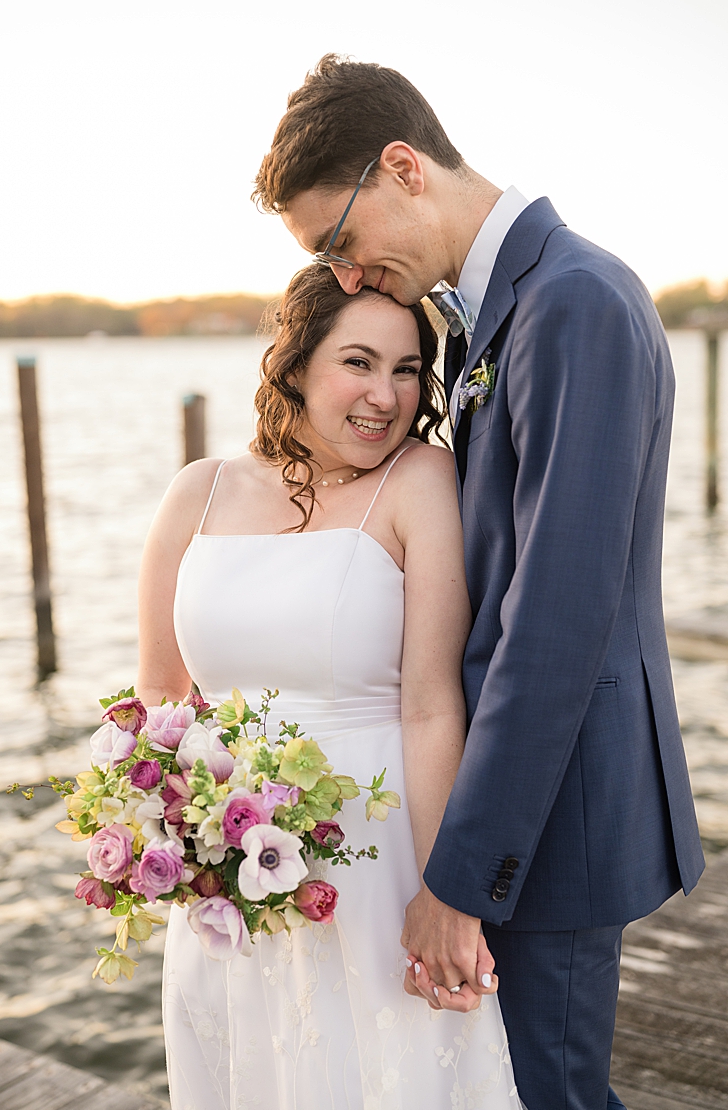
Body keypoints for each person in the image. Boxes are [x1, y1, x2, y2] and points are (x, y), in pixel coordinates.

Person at [255, 55, 703, 1109]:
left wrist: (462, 877)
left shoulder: (574, 303)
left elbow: (554, 619)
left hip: (553, 822)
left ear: (402, 167)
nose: (350, 278)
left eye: (341, 242)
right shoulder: (501, 310)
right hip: (527, 807)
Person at [140, 264, 521, 1106]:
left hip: (376, 859)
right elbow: (161, 710)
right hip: (229, 877)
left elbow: (430, 709)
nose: (385, 395)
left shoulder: (419, 480)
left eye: (407, 369)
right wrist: (182, 853)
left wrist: (444, 894)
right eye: (358, 362)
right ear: (297, 364)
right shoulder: (196, 494)